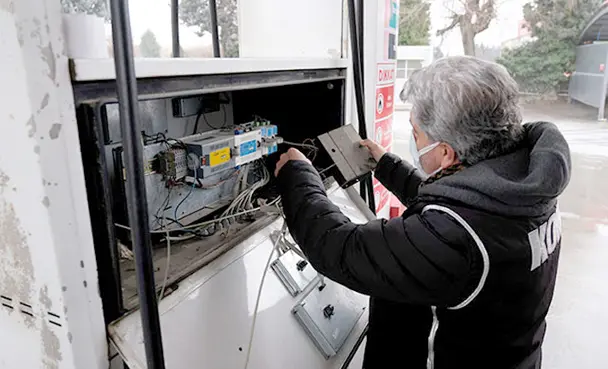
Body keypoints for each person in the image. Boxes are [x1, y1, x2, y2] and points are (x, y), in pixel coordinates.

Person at [274, 56, 571, 369]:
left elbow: (338, 247)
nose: (413, 141)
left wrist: (298, 176)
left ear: (445, 152)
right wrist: (386, 165)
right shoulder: (529, 185)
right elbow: (465, 202)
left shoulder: (458, 240)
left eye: (416, 133)